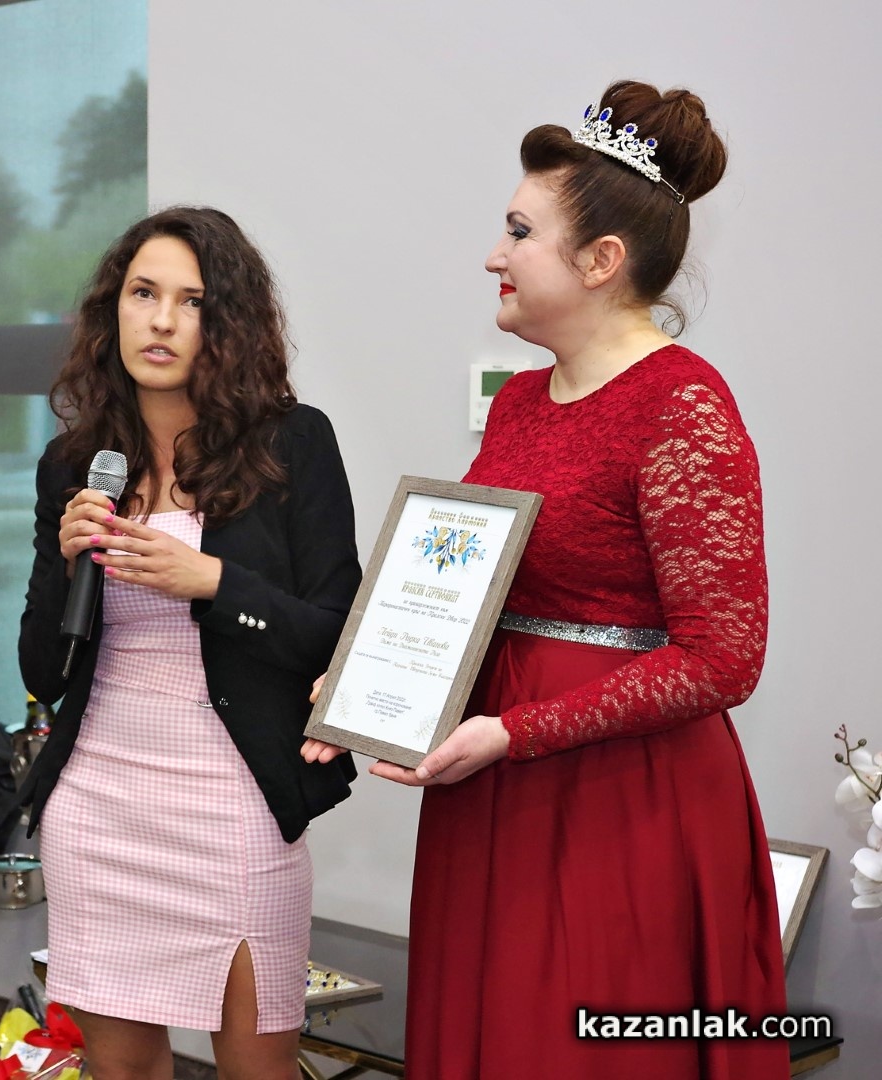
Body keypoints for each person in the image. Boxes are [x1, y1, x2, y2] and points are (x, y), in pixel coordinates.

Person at [304, 80, 786, 1078]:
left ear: (601, 261)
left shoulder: (682, 406)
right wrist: (366, 682)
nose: (494, 255)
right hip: (494, 782)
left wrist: (517, 731)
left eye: (519, 233)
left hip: (619, 797)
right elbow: (475, 591)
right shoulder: (520, 402)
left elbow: (724, 659)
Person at [18, 206, 362, 1080]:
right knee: (121, 1071)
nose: (162, 320)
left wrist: (211, 582)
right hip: (98, 804)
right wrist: (67, 564)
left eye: (191, 300)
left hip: (236, 803)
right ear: (114, 310)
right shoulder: (73, 464)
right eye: (143, 294)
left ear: (228, 322)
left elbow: (336, 633)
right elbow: (41, 672)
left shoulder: (293, 444)